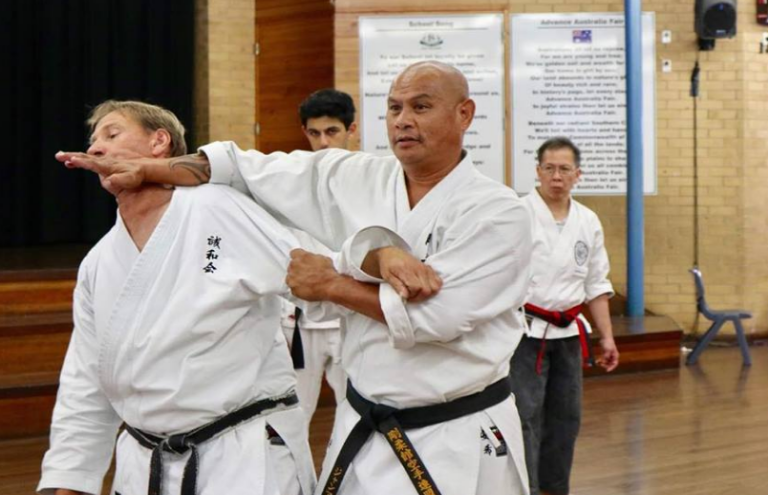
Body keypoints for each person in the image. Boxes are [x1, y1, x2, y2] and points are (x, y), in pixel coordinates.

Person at [56, 61, 533, 495]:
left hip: (455, 435)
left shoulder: (497, 211)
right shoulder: (355, 175)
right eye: (393, 107)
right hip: (363, 426)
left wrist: (338, 277)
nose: (403, 119)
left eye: (421, 107)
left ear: (465, 114)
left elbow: (440, 315)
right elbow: (249, 168)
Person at [40, 100, 316, 495]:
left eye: (111, 134)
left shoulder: (219, 209)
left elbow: (316, 279)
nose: (96, 148)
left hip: (241, 456)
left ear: (159, 142)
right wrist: (70, 478)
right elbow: (86, 376)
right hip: (145, 460)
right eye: (93, 141)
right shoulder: (98, 263)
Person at [509, 137, 620, 495]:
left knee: (566, 419)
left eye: (565, 169)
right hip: (524, 334)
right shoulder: (517, 214)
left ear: (578, 174)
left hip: (569, 335)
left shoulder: (588, 220)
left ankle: (555, 489)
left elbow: (596, 284)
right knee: (525, 416)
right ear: (538, 171)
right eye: (550, 168)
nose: (557, 176)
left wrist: (607, 338)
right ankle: (525, 488)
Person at [279, 89, 356, 425]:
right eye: (314, 133)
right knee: (293, 416)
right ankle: (294, 481)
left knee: (356, 412)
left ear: (351, 131)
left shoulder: (374, 182)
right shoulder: (288, 182)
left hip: (351, 315)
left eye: (332, 132)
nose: (323, 142)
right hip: (299, 320)